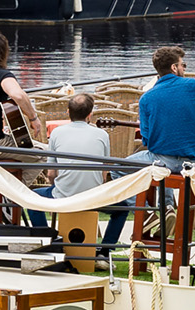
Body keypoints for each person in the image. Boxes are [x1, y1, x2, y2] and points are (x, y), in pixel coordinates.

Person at [26, 92, 129, 247]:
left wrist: (57, 186)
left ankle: (47, 243)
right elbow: (103, 173)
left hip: (64, 195)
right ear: (90, 115)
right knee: (123, 209)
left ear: (68, 112)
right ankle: (105, 250)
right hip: (93, 197)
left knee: (32, 199)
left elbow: (51, 173)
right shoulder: (102, 134)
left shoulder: (56, 133)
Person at [133, 44, 195, 177]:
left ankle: (155, 198)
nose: (184, 68)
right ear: (174, 67)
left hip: (160, 162)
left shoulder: (146, 98)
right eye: (183, 65)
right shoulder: (192, 85)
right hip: (191, 163)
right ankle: (166, 197)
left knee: (117, 169)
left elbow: (147, 139)